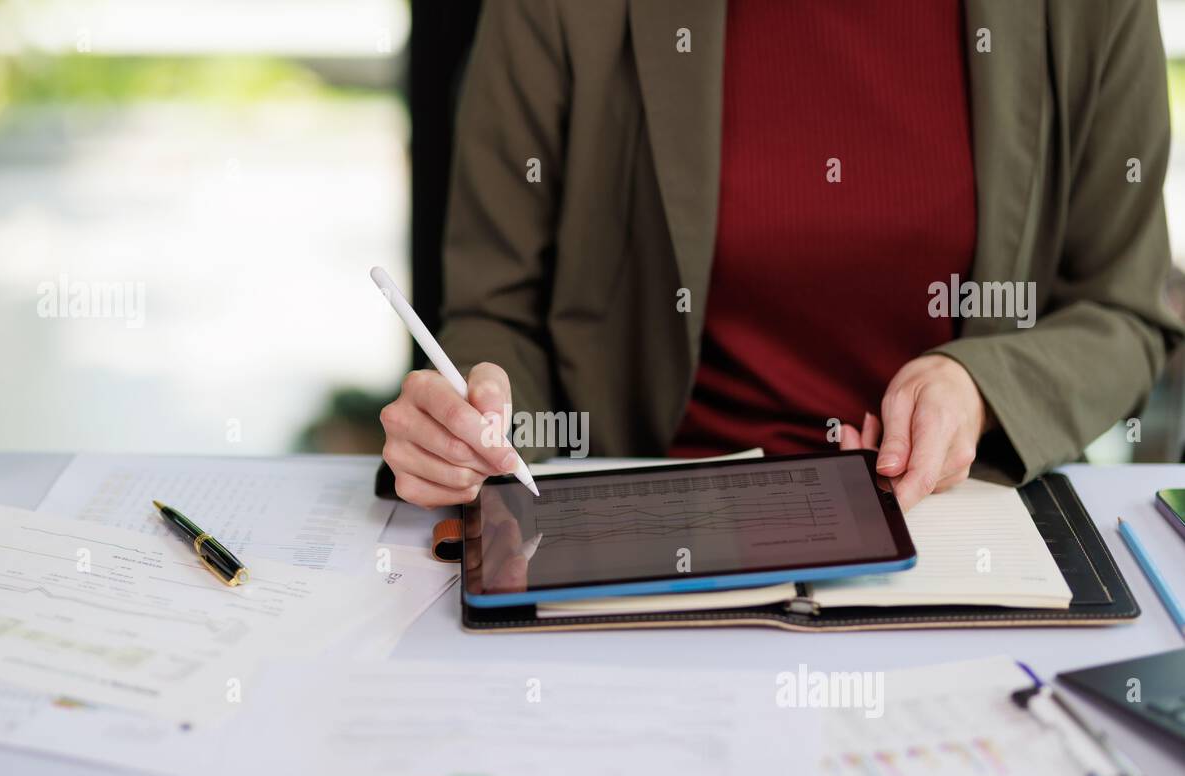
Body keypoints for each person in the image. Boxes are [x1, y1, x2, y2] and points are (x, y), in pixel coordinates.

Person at [379, 0, 1182, 510]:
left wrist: (981, 390)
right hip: (644, 532)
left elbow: (1125, 308)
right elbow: (497, 310)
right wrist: (479, 423)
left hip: (959, 527)